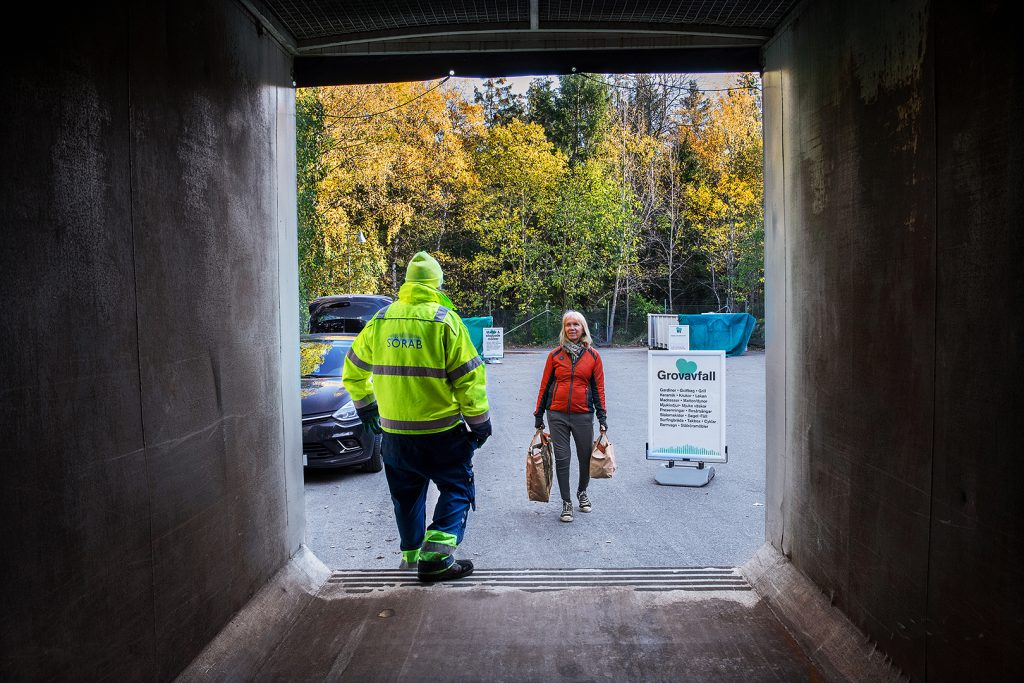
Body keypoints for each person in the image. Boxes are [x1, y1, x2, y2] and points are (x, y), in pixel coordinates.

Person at [343, 252, 491, 582]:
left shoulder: (381, 320)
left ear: (407, 283)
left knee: (406, 496)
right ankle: (435, 559)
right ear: (436, 284)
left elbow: (352, 370)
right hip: (441, 434)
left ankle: (410, 557)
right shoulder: (444, 321)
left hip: (394, 436)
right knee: (456, 488)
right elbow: (470, 379)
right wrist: (480, 424)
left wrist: (366, 406)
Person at [533, 310, 607, 523]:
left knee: (585, 459)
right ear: (564, 329)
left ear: (583, 328)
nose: (572, 328)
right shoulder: (555, 355)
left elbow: (598, 388)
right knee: (563, 459)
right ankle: (566, 502)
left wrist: (602, 418)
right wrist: (539, 415)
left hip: (583, 415)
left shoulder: (593, 356)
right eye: (568, 325)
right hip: (557, 415)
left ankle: (582, 492)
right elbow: (544, 386)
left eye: (576, 324)